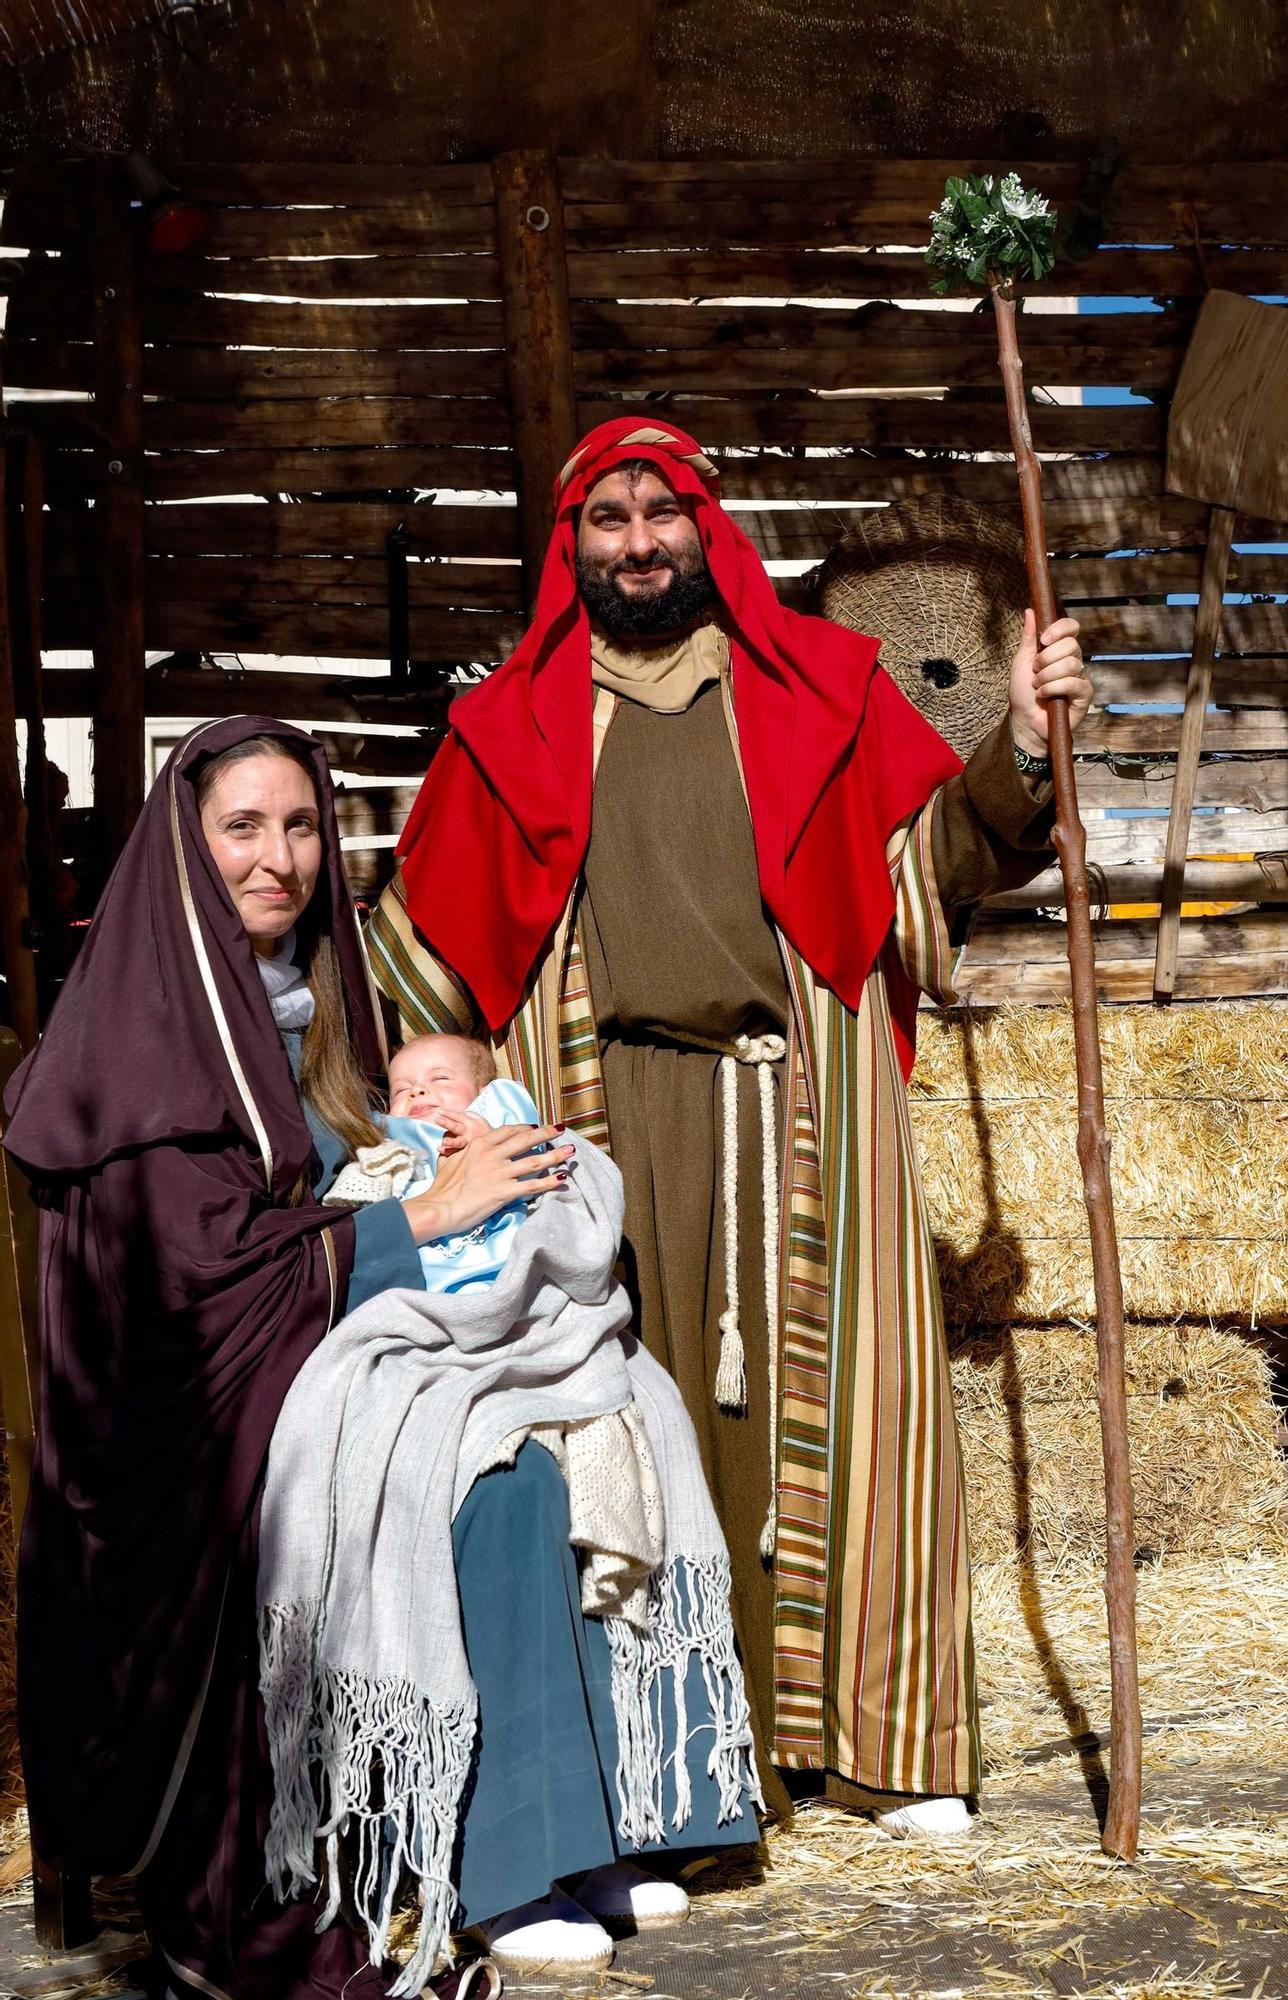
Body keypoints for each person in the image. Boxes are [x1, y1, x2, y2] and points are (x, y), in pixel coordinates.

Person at [367, 415, 1095, 1839]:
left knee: (846, 1407)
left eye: (662, 512)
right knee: (624, 1423)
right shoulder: (512, 727)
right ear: (572, 546)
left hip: (799, 1098)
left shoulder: (820, 686)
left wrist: (1018, 736)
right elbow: (421, 954)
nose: (639, 541)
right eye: (609, 518)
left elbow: (933, 864)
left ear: (706, 527)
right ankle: (663, 1767)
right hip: (601, 1119)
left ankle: (876, 1745)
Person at [0, 716, 752, 2000]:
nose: (278, 857)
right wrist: (427, 1219)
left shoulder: (321, 1007)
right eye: (243, 826)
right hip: (198, 1408)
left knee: (605, 1415)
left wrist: (495, 1175)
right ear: (184, 844)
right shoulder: (147, 1032)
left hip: (346, 1339)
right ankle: (505, 1864)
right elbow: (192, 1273)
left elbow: (377, 1161)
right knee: (497, 1482)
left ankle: (603, 1824)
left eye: (301, 826)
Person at [324, 1033, 552, 1292]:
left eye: (440, 1078)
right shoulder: (384, 1148)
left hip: (504, 1270)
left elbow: (533, 1167)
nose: (416, 1091)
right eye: (401, 1090)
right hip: (419, 1287)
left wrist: (489, 1140)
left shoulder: (493, 1112)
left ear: (482, 1089)